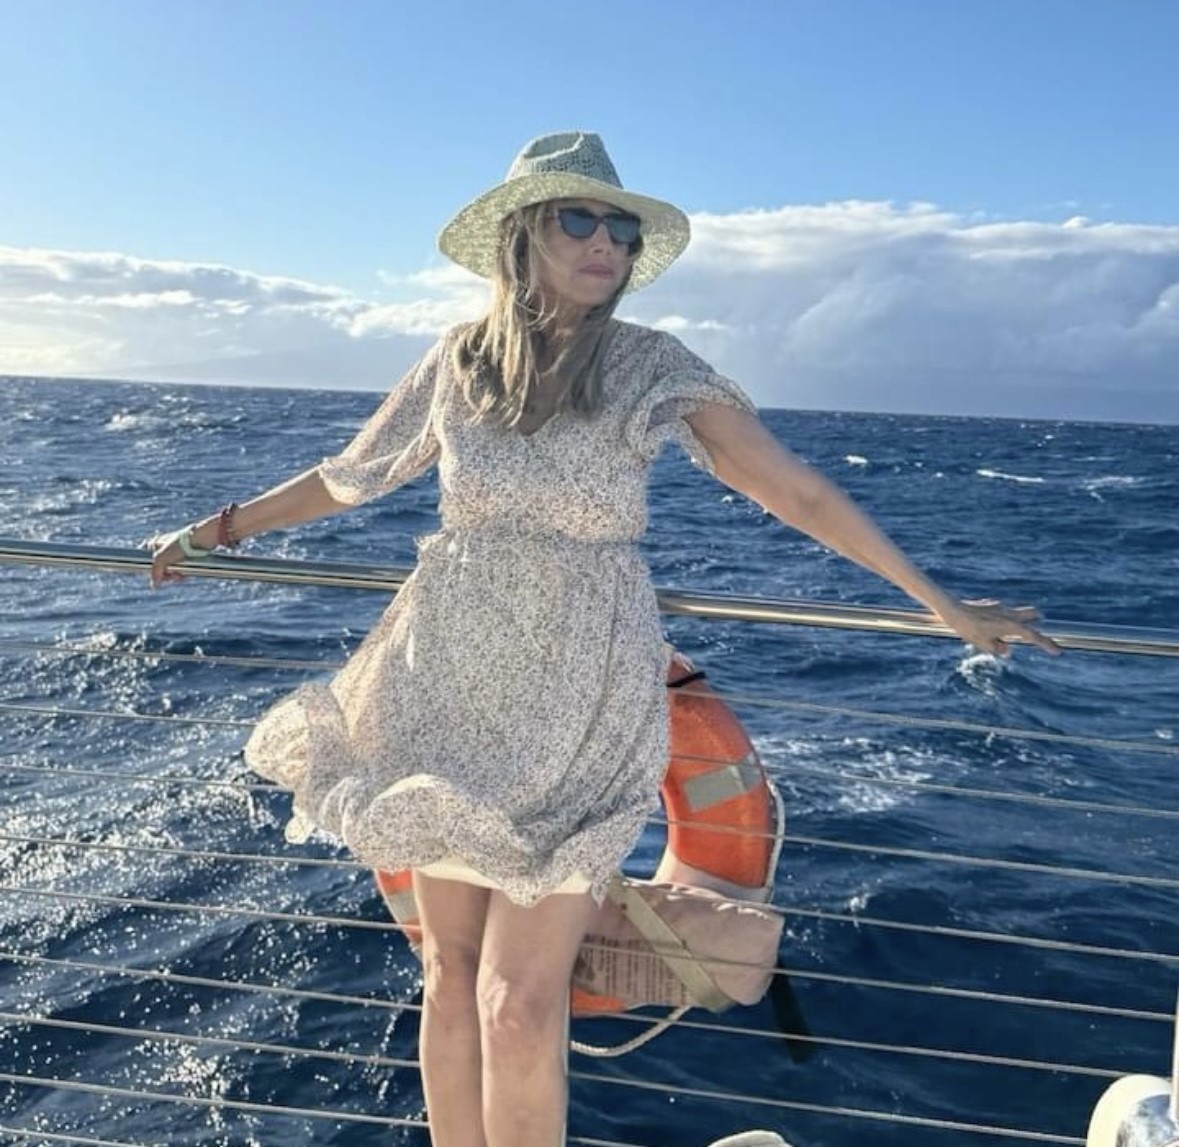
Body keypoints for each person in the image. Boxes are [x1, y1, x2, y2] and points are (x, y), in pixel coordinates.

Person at [149, 130, 1058, 1147]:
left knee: (518, 1000)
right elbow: (347, 475)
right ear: (523, 235)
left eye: (621, 229)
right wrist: (217, 528)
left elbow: (794, 487)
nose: (604, 244)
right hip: (445, 681)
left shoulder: (649, 366)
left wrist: (936, 601)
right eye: (579, 220)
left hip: (583, 702)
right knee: (450, 979)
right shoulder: (458, 361)